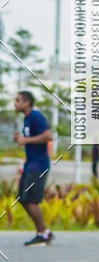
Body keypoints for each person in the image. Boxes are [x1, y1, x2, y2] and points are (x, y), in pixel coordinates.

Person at [13, 91, 53, 246]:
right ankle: (44, 232)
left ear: (27, 103)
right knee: (21, 198)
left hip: (39, 165)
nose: (15, 103)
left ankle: (42, 234)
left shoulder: (36, 116)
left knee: (30, 199)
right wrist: (20, 139)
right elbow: (28, 140)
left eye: (18, 100)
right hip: (30, 164)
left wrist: (26, 139)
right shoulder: (27, 119)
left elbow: (48, 136)